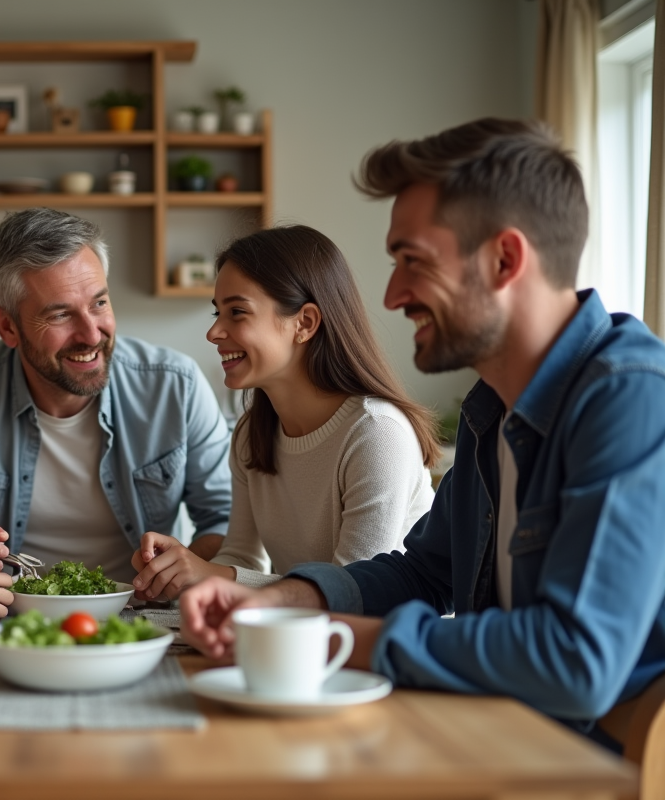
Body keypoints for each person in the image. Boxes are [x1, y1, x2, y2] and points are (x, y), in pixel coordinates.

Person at [181, 118, 665, 745]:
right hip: (500, 735)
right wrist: (286, 602)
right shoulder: (491, 407)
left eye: (413, 261)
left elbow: (574, 661)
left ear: (505, 259)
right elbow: (423, 574)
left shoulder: (628, 399)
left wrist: (332, 637)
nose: (390, 294)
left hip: (589, 766)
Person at [0, 207, 232, 620]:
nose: (91, 334)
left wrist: (188, 565)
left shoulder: (175, 385)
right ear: (7, 326)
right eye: (60, 314)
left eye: (99, 303)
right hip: (7, 623)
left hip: (145, 619)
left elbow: (226, 521)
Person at [131, 225, 439, 602]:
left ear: (304, 323)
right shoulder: (251, 434)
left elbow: (353, 591)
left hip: (387, 648)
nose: (213, 332)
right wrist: (184, 576)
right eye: (218, 312)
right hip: (300, 639)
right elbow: (242, 557)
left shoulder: (376, 433)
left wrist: (211, 574)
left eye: (237, 312)